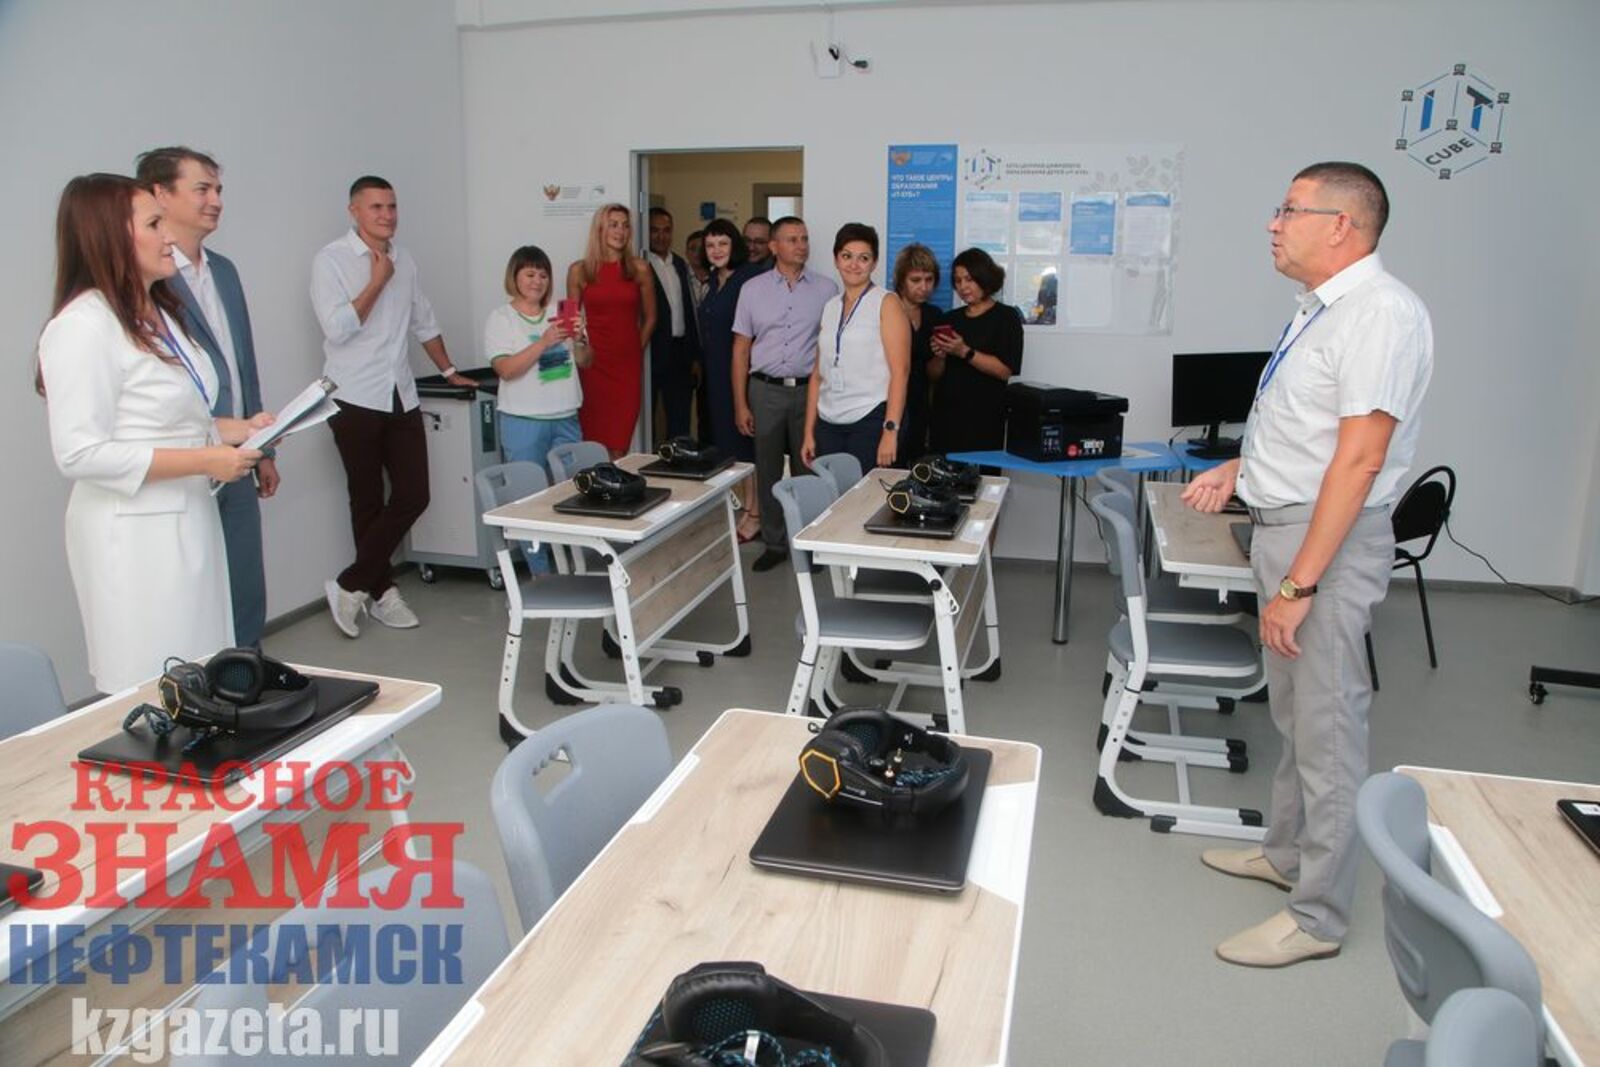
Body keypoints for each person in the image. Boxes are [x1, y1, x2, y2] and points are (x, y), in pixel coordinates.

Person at [1182, 161, 1433, 968]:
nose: (1274, 223)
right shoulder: (1323, 310)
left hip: (1323, 544)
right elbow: (1306, 430)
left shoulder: (1380, 314)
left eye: (1290, 209)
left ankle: (1319, 916)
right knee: (1296, 716)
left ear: (1341, 226)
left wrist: (1300, 583)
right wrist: (1241, 468)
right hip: (1288, 529)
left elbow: (1359, 461)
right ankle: (1287, 854)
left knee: (1328, 731)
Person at [37, 174, 268, 692]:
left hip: (188, 518)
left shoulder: (160, 310)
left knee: (201, 670)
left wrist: (240, 430)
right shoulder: (83, 326)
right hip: (134, 536)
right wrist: (207, 460)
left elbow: (179, 419)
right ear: (110, 236)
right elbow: (80, 452)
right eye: (154, 224)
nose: (169, 236)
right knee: (152, 681)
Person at [311, 175, 469, 638]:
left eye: (392, 206)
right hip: (352, 395)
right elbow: (337, 329)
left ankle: (350, 584)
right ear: (354, 211)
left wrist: (448, 370)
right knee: (366, 500)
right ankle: (381, 592)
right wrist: (377, 282)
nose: (387, 215)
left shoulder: (406, 260)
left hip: (399, 392)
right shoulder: (331, 261)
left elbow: (424, 321)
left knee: (414, 494)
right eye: (377, 207)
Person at [136, 146, 275, 649]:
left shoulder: (224, 271)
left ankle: (248, 669)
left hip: (237, 450)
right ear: (161, 194)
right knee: (193, 597)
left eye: (218, 189)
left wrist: (264, 448)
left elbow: (243, 365)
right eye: (202, 189)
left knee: (244, 580)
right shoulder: (149, 281)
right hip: (184, 458)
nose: (215, 200)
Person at [731, 216, 837, 571]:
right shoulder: (752, 289)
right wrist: (741, 403)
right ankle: (775, 543)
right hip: (765, 391)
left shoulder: (827, 289)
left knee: (810, 469)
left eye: (804, 238)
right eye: (792, 239)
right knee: (768, 469)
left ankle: (810, 544)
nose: (801, 245)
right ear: (774, 246)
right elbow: (741, 349)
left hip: (809, 392)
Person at [485, 245, 590, 570]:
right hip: (523, 420)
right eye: (530, 274)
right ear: (514, 277)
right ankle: (541, 573)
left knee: (572, 495)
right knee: (528, 499)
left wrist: (581, 338)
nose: (537, 281)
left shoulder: (561, 312)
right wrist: (544, 341)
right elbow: (506, 370)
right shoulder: (501, 318)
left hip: (566, 417)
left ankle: (575, 566)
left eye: (543, 275)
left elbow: (586, 361)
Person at [803, 223, 910, 474]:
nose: (854, 264)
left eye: (864, 258)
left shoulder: (886, 302)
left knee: (864, 495)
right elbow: (817, 375)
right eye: (847, 256)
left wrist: (890, 431)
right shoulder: (830, 306)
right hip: (828, 422)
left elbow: (901, 371)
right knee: (832, 494)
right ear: (836, 259)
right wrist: (808, 432)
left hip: (870, 418)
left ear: (874, 263)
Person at [567, 203, 657, 458]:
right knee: (593, 444)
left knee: (619, 444)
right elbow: (569, 319)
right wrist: (580, 346)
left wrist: (635, 348)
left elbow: (651, 318)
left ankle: (615, 483)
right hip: (593, 366)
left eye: (625, 226)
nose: (621, 231)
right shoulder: (578, 270)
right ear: (600, 229)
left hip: (627, 366)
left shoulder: (639, 268)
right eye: (614, 225)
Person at [696, 218, 763, 542]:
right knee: (730, 445)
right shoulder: (713, 280)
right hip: (716, 375)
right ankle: (749, 507)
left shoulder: (748, 278)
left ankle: (755, 512)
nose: (717, 250)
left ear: (734, 245)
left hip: (742, 373)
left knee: (746, 443)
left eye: (723, 243)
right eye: (710, 245)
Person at [927, 248, 1024, 454]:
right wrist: (940, 356)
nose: (963, 286)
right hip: (946, 419)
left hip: (984, 420)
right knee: (942, 472)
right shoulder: (949, 319)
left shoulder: (1006, 318)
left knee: (983, 472)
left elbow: (1005, 371)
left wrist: (964, 351)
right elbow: (934, 375)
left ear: (984, 277)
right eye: (958, 281)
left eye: (969, 279)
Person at [645, 207, 700, 441]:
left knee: (680, 417)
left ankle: (679, 458)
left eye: (666, 230)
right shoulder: (639, 264)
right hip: (651, 351)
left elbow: (689, 310)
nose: (661, 236)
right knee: (647, 417)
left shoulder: (679, 264)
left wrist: (695, 355)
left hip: (680, 353)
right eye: (655, 230)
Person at [891, 243, 942, 458]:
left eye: (929, 280)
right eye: (916, 280)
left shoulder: (934, 315)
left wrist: (940, 355)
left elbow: (934, 374)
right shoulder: (887, 310)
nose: (924, 287)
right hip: (889, 402)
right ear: (901, 281)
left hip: (920, 403)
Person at [684, 228, 711, 312]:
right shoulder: (680, 276)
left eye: (702, 249)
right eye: (693, 248)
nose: (697, 253)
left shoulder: (717, 277)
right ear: (686, 253)